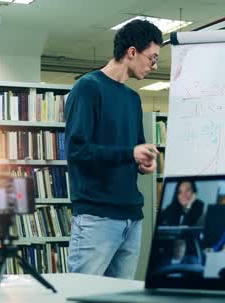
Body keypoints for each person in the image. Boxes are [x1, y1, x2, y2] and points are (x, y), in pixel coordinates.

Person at [64, 20, 162, 279]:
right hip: (97, 216)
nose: (155, 66)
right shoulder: (88, 87)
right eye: (152, 58)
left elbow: (135, 150)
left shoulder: (133, 99)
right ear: (132, 52)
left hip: (132, 217)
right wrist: (129, 154)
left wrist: (144, 163)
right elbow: (77, 152)